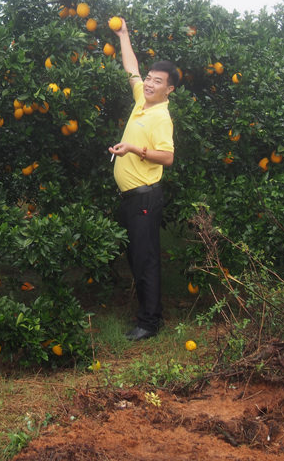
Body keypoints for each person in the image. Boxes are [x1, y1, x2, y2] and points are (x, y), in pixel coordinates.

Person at [108, 19, 177, 341]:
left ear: (169, 89)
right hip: (132, 198)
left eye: (156, 81)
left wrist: (134, 149)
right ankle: (147, 314)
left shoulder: (161, 116)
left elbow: (167, 157)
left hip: (145, 197)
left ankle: (150, 322)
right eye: (149, 79)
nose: (148, 83)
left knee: (146, 259)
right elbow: (131, 68)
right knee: (136, 256)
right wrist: (123, 35)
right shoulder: (141, 101)